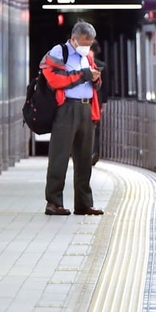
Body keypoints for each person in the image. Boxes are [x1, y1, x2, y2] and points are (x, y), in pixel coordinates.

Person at [42, 21, 104, 216]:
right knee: (59, 156)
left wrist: (95, 78)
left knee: (85, 159)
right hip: (66, 109)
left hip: (87, 108)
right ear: (74, 39)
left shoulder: (88, 57)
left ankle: (84, 203)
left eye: (90, 43)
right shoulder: (59, 53)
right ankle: (54, 202)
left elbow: (93, 81)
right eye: (85, 42)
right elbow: (53, 79)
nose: (87, 47)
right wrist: (84, 75)